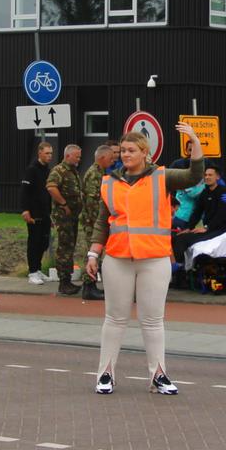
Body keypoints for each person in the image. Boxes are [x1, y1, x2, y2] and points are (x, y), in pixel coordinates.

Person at [86, 122, 205, 395]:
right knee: (114, 318)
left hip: (153, 258)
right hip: (117, 257)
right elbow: (102, 223)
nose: (125, 155)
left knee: (153, 320)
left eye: (130, 150)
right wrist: (93, 254)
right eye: (122, 151)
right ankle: (105, 374)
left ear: (144, 152)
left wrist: (195, 141)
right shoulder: (110, 181)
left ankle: (158, 376)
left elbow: (194, 176)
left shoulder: (163, 177)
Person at [75, 144, 116, 301]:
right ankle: (89, 286)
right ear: (102, 158)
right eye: (111, 158)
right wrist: (97, 221)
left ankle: (91, 284)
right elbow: (93, 201)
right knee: (92, 253)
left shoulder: (100, 173)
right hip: (92, 220)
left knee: (95, 253)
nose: (112, 161)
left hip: (94, 220)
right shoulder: (94, 174)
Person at [47, 144, 84, 296]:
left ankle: (67, 280)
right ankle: (64, 282)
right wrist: (63, 203)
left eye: (79, 156)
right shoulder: (59, 170)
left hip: (72, 216)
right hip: (63, 217)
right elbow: (51, 187)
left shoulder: (72, 171)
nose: (79, 159)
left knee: (70, 246)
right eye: (77, 156)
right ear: (68, 155)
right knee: (64, 248)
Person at [19, 141, 55, 285]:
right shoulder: (32, 170)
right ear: (39, 153)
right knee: (34, 242)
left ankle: (38, 269)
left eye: (51, 153)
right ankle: (32, 272)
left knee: (43, 242)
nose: (49, 156)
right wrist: (25, 210)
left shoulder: (47, 169)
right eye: (47, 153)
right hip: (34, 213)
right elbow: (24, 191)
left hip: (45, 212)